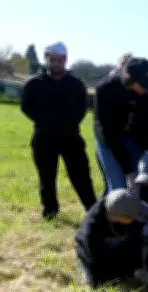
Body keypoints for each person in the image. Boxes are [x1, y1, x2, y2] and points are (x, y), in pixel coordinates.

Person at [21, 42, 96, 219]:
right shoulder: (34, 83)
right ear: (46, 59)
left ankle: (92, 209)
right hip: (44, 138)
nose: (57, 63)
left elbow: (82, 108)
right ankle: (50, 211)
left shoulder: (76, 84)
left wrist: (69, 124)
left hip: (71, 137)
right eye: (53, 60)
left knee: (81, 174)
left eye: (61, 60)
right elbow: (26, 106)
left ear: (66, 60)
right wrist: (44, 121)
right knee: (47, 176)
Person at [94, 57, 148, 191]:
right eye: (144, 85)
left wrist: (146, 156)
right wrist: (129, 172)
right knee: (119, 188)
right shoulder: (106, 89)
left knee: (140, 183)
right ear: (129, 79)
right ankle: (107, 210)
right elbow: (109, 135)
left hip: (133, 136)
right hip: (108, 139)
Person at [75, 189, 148, 288]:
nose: (137, 218)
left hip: (118, 245)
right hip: (93, 254)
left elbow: (136, 242)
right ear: (116, 216)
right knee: (102, 283)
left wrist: (139, 266)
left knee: (128, 271)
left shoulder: (123, 206)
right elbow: (94, 258)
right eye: (133, 216)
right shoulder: (92, 229)